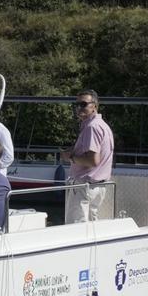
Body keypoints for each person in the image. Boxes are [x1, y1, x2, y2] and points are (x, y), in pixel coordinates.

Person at [60, 89, 115, 223]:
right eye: (76, 105)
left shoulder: (92, 127)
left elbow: (93, 160)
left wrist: (70, 157)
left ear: (94, 106)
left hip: (84, 188)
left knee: (76, 230)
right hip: (96, 187)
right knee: (91, 230)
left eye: (83, 104)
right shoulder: (102, 126)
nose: (79, 108)